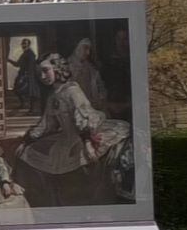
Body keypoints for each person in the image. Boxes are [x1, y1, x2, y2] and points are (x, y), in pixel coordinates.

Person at [16, 55, 132, 207]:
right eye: (39, 74)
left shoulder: (72, 90)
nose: (43, 77)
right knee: (27, 153)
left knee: (86, 165)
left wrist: (88, 143)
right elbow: (46, 125)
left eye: (45, 71)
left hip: (85, 134)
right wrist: (27, 140)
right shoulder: (53, 96)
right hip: (67, 138)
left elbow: (83, 117)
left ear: (58, 68)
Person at [69, 38, 108, 110]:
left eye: (89, 49)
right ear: (76, 48)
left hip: (93, 108)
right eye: (85, 48)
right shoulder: (66, 68)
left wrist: (101, 98)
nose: (88, 53)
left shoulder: (92, 68)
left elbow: (101, 88)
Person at [11, 38, 42, 113]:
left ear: (28, 45)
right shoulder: (25, 53)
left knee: (30, 93)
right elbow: (18, 64)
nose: (23, 45)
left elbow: (29, 66)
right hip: (24, 75)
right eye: (23, 43)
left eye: (25, 44)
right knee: (18, 90)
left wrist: (27, 76)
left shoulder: (29, 53)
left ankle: (31, 109)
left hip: (27, 76)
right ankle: (24, 104)